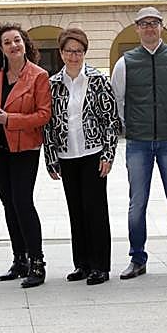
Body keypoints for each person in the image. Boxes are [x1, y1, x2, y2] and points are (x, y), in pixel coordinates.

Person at [111, 6, 167, 279]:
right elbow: (118, 100)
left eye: (154, 23)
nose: (149, 28)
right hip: (138, 143)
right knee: (137, 203)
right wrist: (132, 126)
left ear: (161, 27)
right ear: (137, 28)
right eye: (144, 23)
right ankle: (137, 259)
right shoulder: (125, 62)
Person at [45, 27, 119, 285]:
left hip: (93, 154)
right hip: (67, 156)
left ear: (85, 53)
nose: (73, 56)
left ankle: (100, 266)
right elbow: (48, 124)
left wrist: (108, 154)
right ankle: (82, 264)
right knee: (75, 211)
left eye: (78, 51)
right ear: (61, 53)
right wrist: (51, 157)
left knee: (95, 211)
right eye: (68, 51)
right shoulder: (53, 84)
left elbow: (111, 121)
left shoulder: (98, 80)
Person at [0, 23, 52, 288]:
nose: (13, 45)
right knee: (8, 204)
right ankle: (19, 259)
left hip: (25, 148)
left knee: (22, 202)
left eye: (17, 40)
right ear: (0, 48)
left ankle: (37, 262)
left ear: (25, 44)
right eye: (7, 42)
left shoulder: (38, 76)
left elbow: (44, 115)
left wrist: (11, 119)